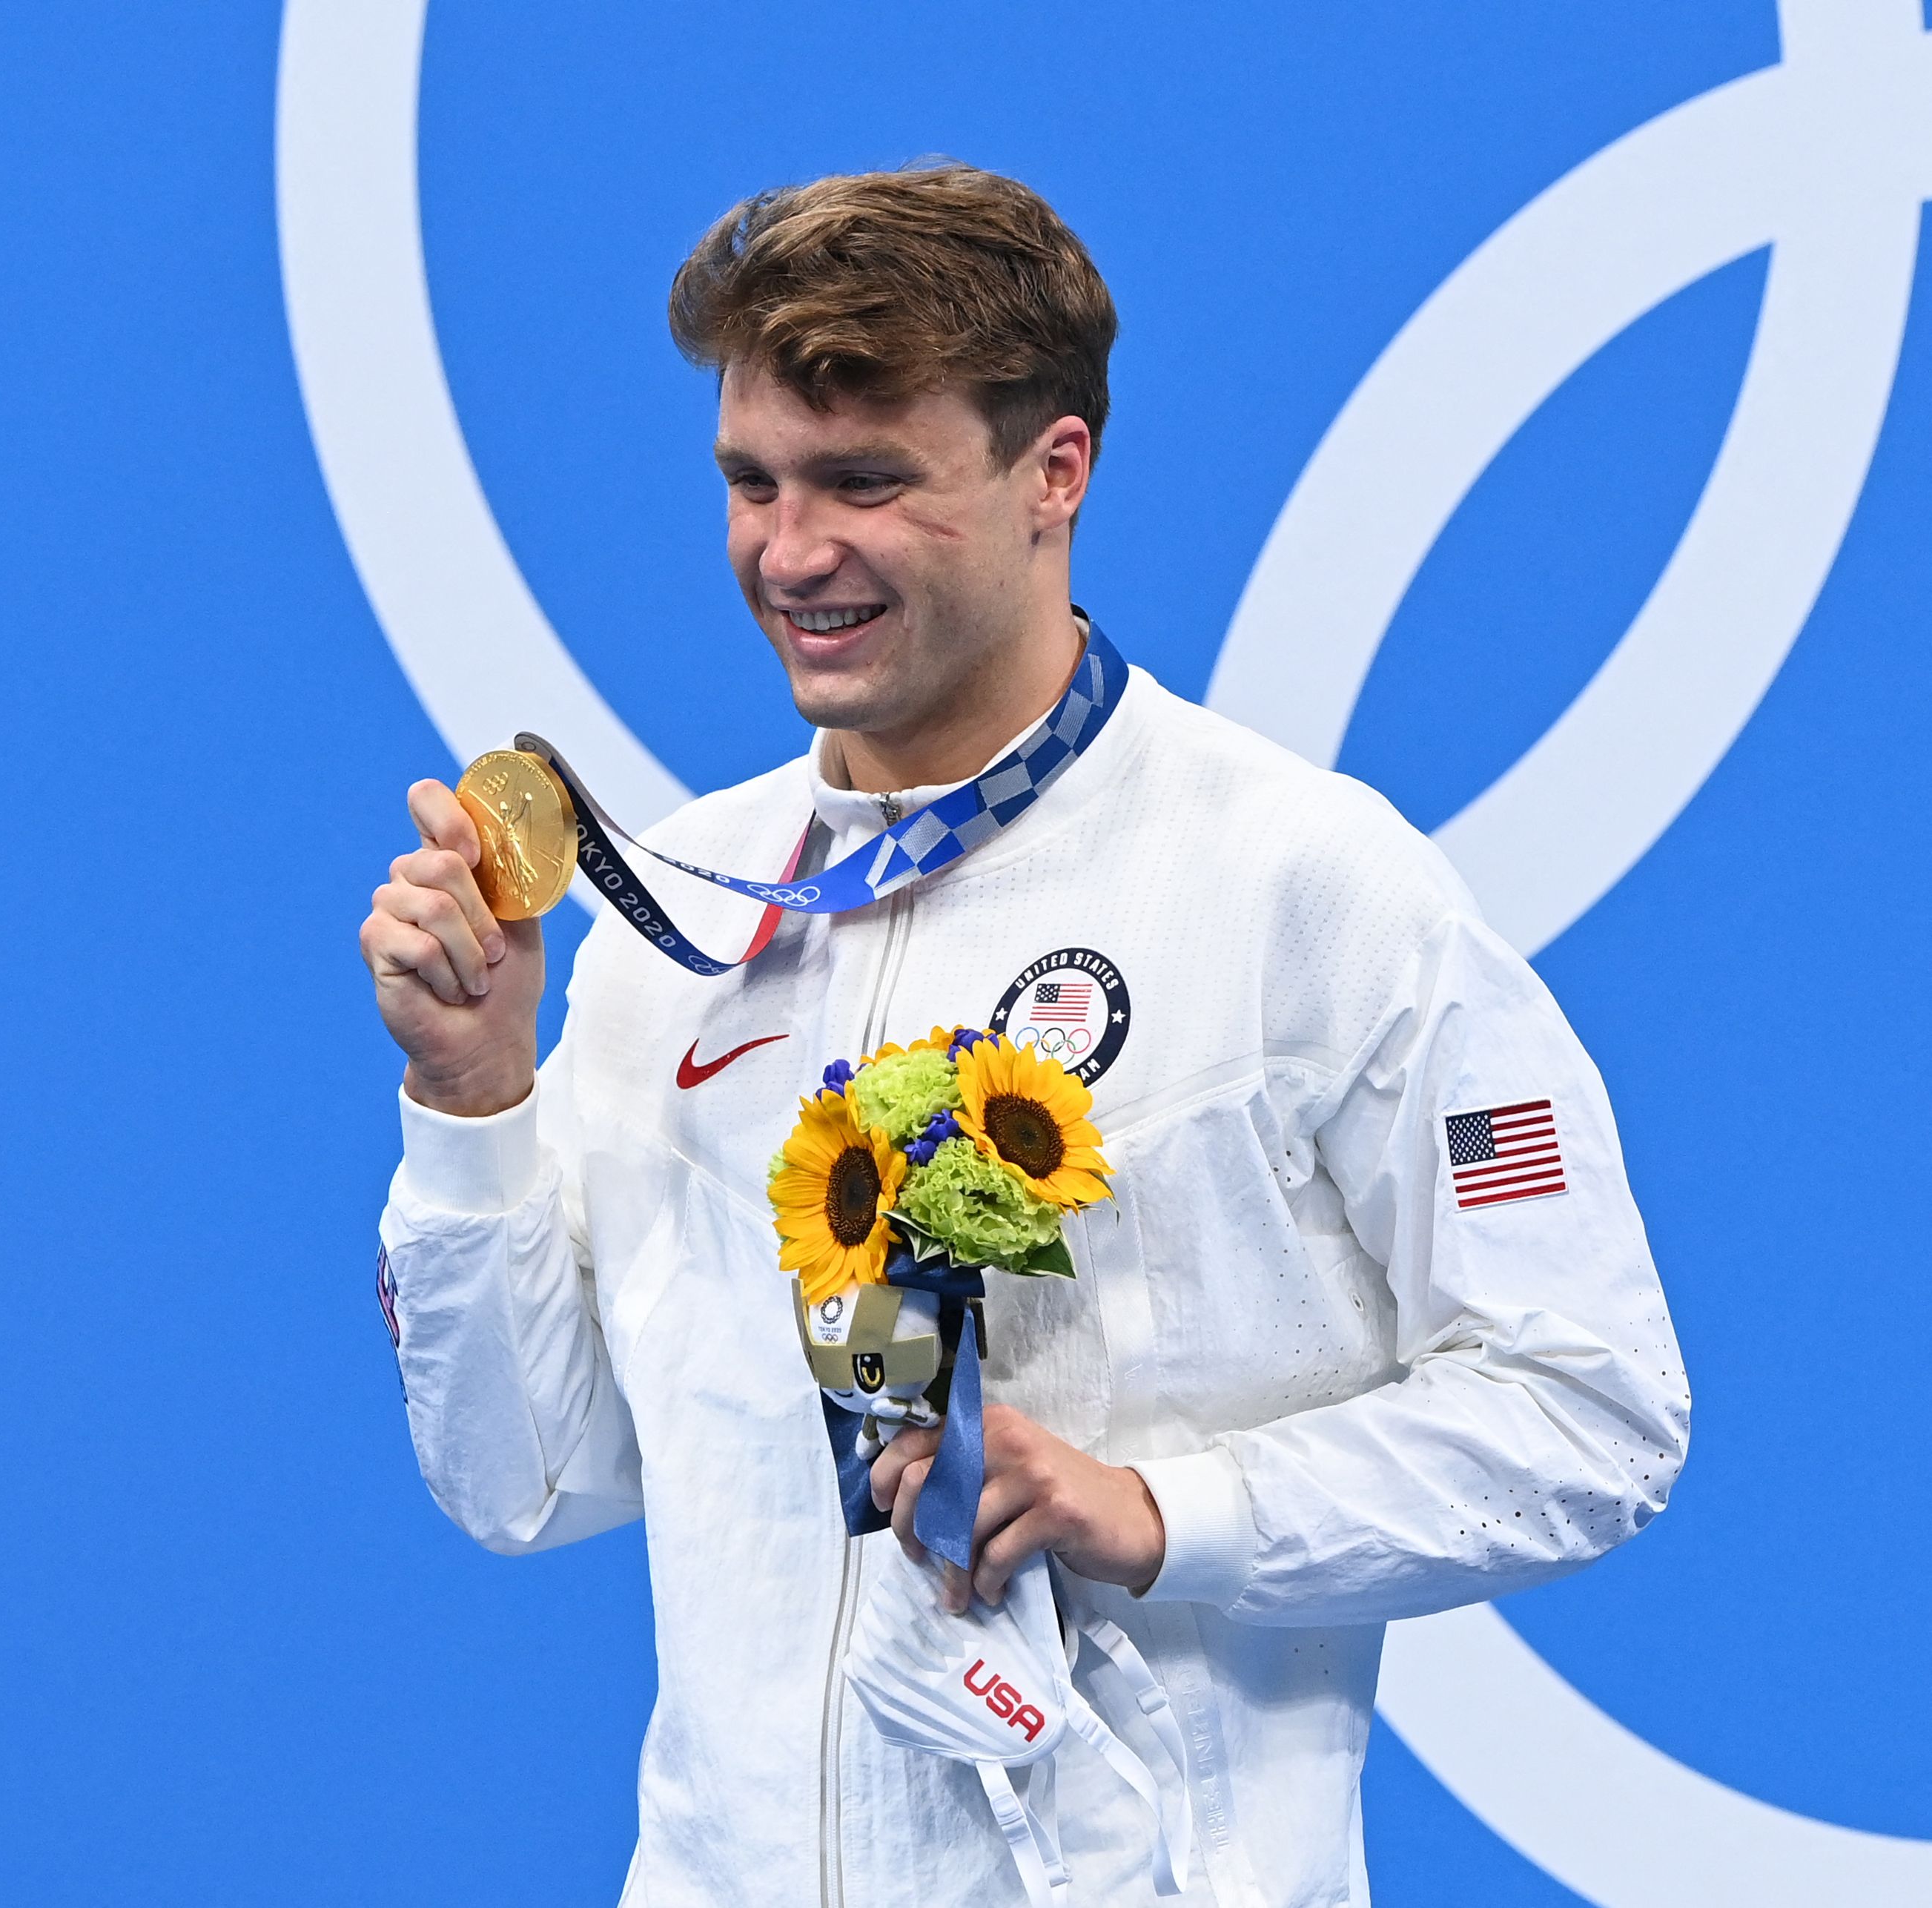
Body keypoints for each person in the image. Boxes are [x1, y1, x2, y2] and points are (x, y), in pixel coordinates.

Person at [356, 163, 1687, 1908]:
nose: (788, 551)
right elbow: (523, 1481)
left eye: (865, 483)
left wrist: (1163, 1513)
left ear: (1054, 472)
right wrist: (471, 1102)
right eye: (749, 483)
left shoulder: (1306, 887)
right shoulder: (675, 915)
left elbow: (1589, 1415)